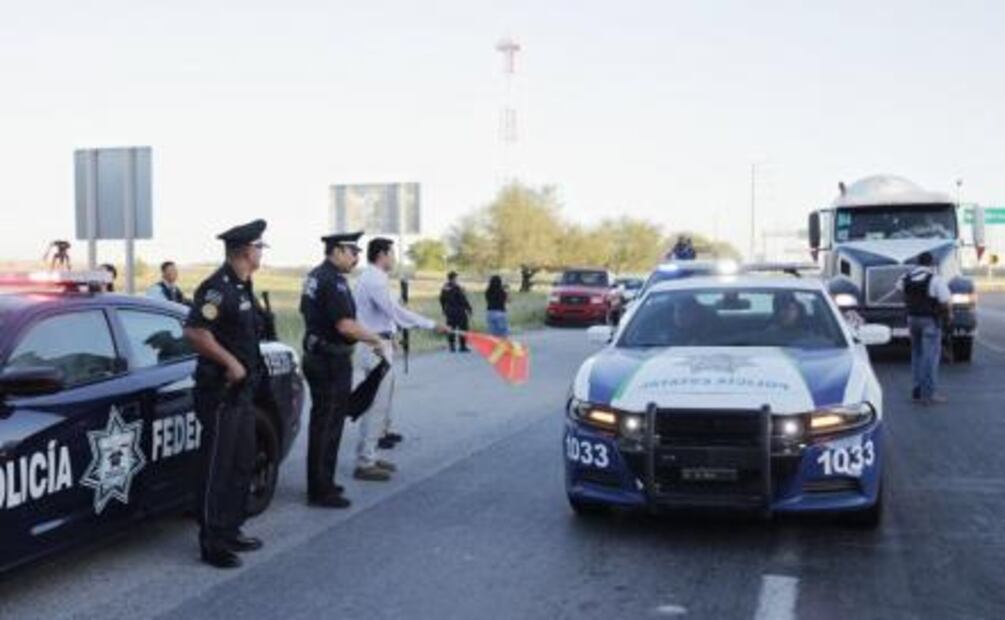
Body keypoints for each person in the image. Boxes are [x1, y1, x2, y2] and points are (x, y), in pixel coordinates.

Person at [183, 219, 269, 569]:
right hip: (220, 392)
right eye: (260, 247)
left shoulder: (243, 286)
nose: (262, 253)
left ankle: (231, 529)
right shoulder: (216, 289)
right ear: (247, 250)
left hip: (243, 395)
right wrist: (230, 362)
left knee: (241, 463)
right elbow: (195, 332)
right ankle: (212, 541)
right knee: (217, 468)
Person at [300, 231, 386, 507]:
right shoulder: (332, 281)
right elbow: (345, 325)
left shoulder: (316, 276)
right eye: (352, 252)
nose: (356, 257)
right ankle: (320, 490)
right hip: (329, 361)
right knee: (328, 426)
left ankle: (323, 481)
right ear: (337, 251)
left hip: (319, 355)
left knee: (325, 424)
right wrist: (376, 339)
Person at [353, 237, 447, 480]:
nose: (394, 259)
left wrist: (391, 335)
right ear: (381, 255)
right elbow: (395, 312)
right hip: (374, 347)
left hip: (379, 343)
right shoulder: (374, 279)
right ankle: (365, 462)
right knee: (376, 406)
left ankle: (369, 455)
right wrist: (431, 324)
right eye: (392, 254)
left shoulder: (374, 277)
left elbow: (385, 316)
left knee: (379, 405)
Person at [899, 251, 951, 405]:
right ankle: (929, 394)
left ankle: (917, 390)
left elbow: (899, 289)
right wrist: (949, 316)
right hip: (930, 321)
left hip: (912, 319)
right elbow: (945, 300)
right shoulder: (935, 279)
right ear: (931, 263)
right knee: (930, 358)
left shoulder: (906, 277)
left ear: (918, 262)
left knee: (916, 355)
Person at [440, 271, 472, 352]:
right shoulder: (457, 288)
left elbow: (441, 299)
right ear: (453, 278)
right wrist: (469, 308)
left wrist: (443, 309)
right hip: (459, 311)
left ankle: (452, 346)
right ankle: (462, 346)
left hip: (449, 311)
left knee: (451, 328)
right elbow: (462, 299)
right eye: (456, 278)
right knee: (463, 328)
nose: (457, 279)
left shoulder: (445, 287)